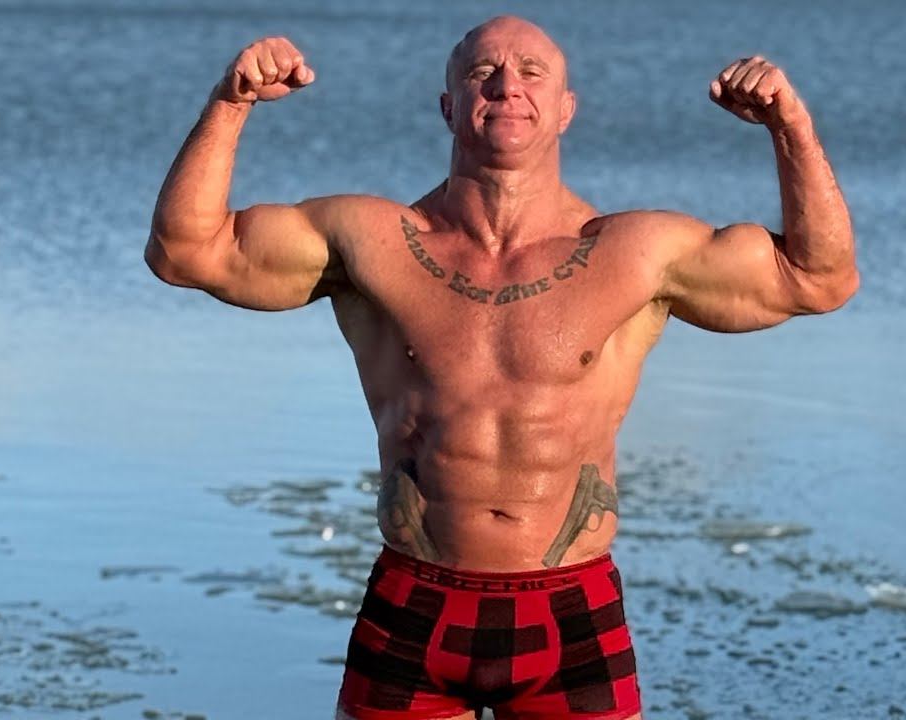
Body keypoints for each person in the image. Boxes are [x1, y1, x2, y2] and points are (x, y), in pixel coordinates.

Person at [145, 15, 857, 720]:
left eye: (531, 73)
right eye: (483, 72)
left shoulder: (637, 253)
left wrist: (789, 126)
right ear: (449, 106)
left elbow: (819, 279)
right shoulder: (370, 241)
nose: (507, 85)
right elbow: (185, 252)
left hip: (571, 613)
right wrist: (230, 103)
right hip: (414, 606)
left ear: (566, 109)